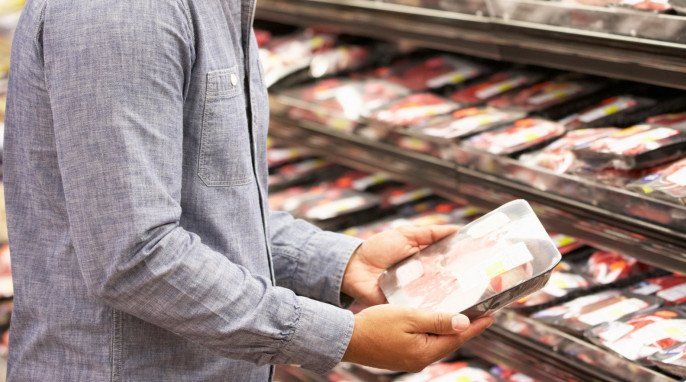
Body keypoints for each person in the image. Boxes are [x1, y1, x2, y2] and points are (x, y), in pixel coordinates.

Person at [3, 0, 493, 380]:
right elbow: (135, 256)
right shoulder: (128, 14)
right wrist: (342, 338)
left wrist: (343, 263)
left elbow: (207, 208)